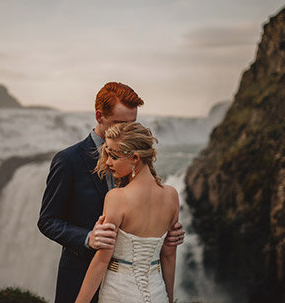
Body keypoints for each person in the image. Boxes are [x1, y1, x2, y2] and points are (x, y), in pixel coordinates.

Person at [38, 82, 184, 303]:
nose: (127, 130)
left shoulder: (135, 158)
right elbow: (47, 220)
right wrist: (88, 238)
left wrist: (167, 233)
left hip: (130, 287)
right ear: (99, 116)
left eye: (132, 124)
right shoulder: (68, 161)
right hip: (81, 277)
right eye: (120, 123)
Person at [75, 122, 179, 303]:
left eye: (113, 156)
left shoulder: (116, 197)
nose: (107, 162)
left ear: (135, 158)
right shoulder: (171, 195)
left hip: (119, 294)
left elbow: (101, 261)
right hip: (158, 294)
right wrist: (169, 298)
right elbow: (169, 255)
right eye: (107, 154)